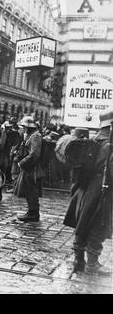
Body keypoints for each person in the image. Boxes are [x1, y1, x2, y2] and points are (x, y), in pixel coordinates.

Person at [63, 110, 113, 275]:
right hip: (102, 191)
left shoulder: (92, 141)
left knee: (82, 222)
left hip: (84, 189)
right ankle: (92, 263)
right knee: (99, 224)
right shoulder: (109, 146)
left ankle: (78, 260)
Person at [13, 116, 45, 222]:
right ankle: (31, 211)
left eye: (24, 127)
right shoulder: (31, 135)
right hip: (29, 167)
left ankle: (33, 213)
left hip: (32, 168)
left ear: (28, 127)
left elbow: (35, 154)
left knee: (32, 191)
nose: (23, 129)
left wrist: (22, 163)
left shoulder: (36, 136)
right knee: (28, 190)